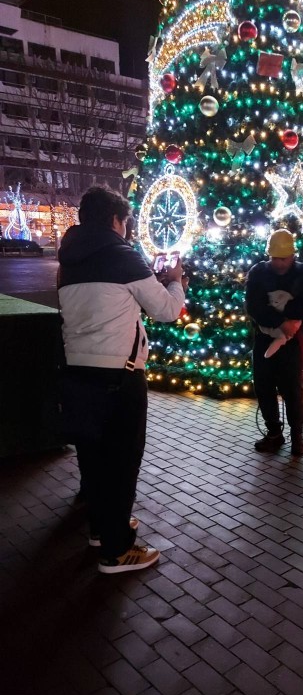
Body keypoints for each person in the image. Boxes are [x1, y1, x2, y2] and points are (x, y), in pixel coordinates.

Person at [58, 186, 186, 574]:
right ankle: (116, 552)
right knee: (122, 462)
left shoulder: (69, 259)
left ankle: (102, 529)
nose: (127, 228)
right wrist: (175, 280)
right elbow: (167, 310)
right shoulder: (123, 255)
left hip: (78, 372)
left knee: (95, 460)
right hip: (119, 375)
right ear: (116, 220)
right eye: (125, 221)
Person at [245, 228, 303, 456]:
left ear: (293, 255)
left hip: (292, 342)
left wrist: (288, 321)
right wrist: (280, 322)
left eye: (283, 259)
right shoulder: (258, 273)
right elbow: (254, 306)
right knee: (263, 386)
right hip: (264, 338)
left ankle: (297, 436)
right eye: (275, 258)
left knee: (293, 390)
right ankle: (274, 433)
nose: (278, 263)